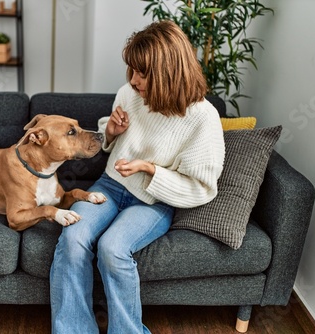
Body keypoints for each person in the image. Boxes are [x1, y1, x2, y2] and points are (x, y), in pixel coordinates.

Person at [50, 20, 225, 334]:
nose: (132, 80)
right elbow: (108, 134)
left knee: (112, 248)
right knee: (73, 238)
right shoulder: (128, 93)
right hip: (109, 187)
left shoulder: (203, 118)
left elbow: (202, 188)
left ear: (168, 71)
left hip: (152, 201)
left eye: (142, 73)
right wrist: (111, 133)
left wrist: (150, 169)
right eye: (130, 70)